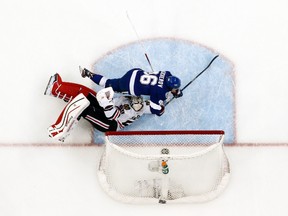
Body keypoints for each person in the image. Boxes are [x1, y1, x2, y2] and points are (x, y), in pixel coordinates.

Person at [44, 73, 150, 142]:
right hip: (107, 110)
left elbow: (112, 115)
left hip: (109, 124)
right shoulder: (128, 97)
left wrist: (106, 102)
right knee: (87, 94)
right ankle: (56, 89)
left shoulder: (135, 110)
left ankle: (60, 130)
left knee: (83, 106)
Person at [79, 67, 183, 116]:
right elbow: (155, 108)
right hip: (129, 85)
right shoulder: (160, 92)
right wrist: (161, 109)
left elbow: (162, 85)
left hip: (135, 72)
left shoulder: (167, 73)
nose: (176, 90)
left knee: (112, 81)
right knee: (109, 84)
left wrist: (173, 92)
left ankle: (89, 74)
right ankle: (89, 74)